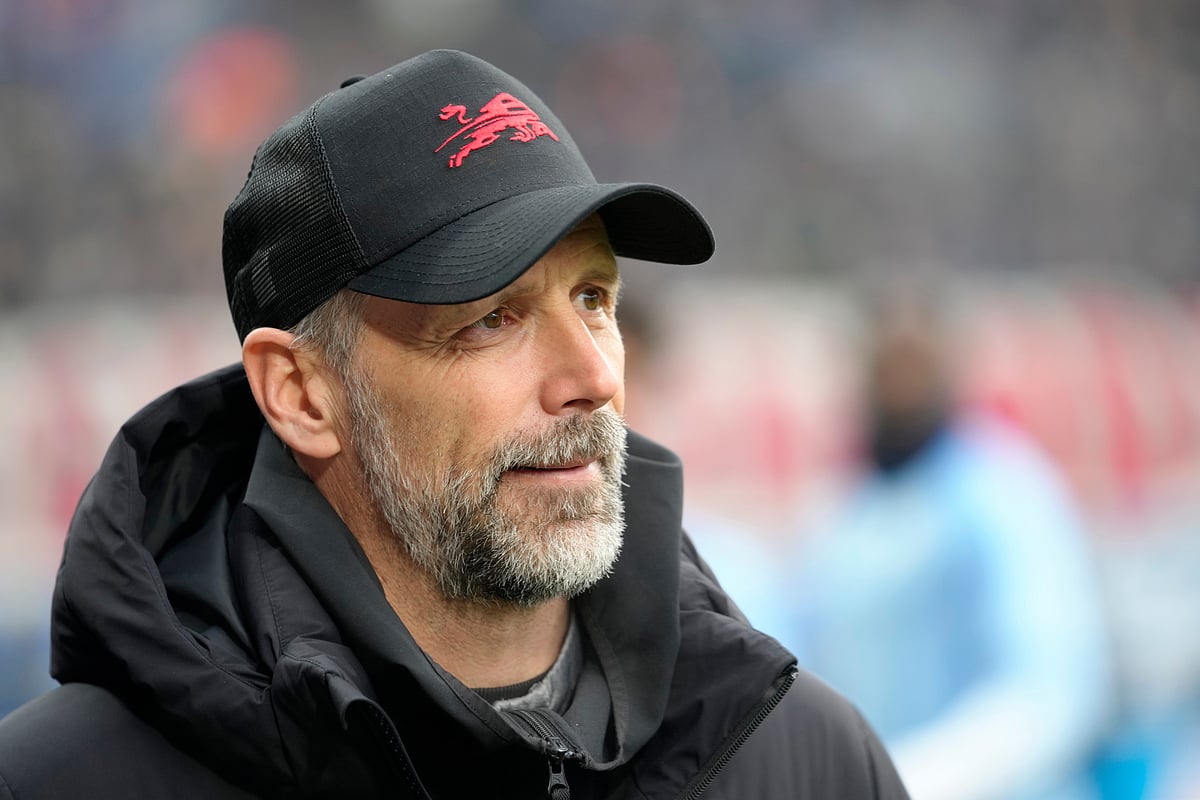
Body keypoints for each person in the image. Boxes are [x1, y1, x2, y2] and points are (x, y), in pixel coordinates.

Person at [0, 50, 908, 799]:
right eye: (492, 318)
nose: (592, 377)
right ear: (302, 395)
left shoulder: (806, 760)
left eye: (595, 299)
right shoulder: (66, 781)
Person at [783, 302, 1112, 800]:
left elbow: (1050, 693)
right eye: (886, 368)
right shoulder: (843, 509)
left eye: (913, 367)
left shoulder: (1003, 489)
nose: (898, 386)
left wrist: (911, 780)